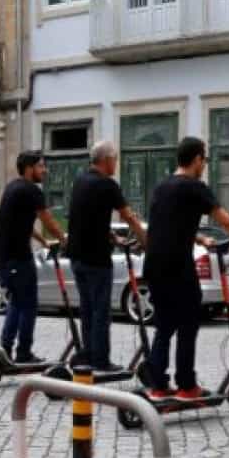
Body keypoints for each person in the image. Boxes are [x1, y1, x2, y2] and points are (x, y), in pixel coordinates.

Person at [144, 136, 229, 400]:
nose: (204, 165)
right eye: (204, 160)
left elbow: (168, 225)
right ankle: (187, 385)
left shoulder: (161, 187)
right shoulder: (195, 187)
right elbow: (225, 220)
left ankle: (158, 386)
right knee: (188, 324)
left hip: (154, 266)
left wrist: (200, 238)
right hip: (178, 267)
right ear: (196, 160)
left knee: (164, 326)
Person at [65, 140, 146, 372]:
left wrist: (113, 237)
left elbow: (89, 218)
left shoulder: (80, 181)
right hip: (96, 258)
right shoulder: (107, 185)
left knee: (88, 309)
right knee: (101, 311)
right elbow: (128, 216)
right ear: (107, 160)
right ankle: (100, 360)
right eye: (116, 159)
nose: (116, 164)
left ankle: (89, 354)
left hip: (77, 256)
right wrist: (145, 241)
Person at [0, 151, 67, 365]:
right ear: (29, 168)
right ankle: (23, 352)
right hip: (16, 256)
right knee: (29, 305)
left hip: (5, 256)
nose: (45, 170)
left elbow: (21, 222)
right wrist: (63, 239)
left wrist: (42, 241)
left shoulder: (13, 187)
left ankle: (5, 348)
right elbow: (48, 220)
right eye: (41, 166)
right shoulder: (31, 190)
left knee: (18, 301)